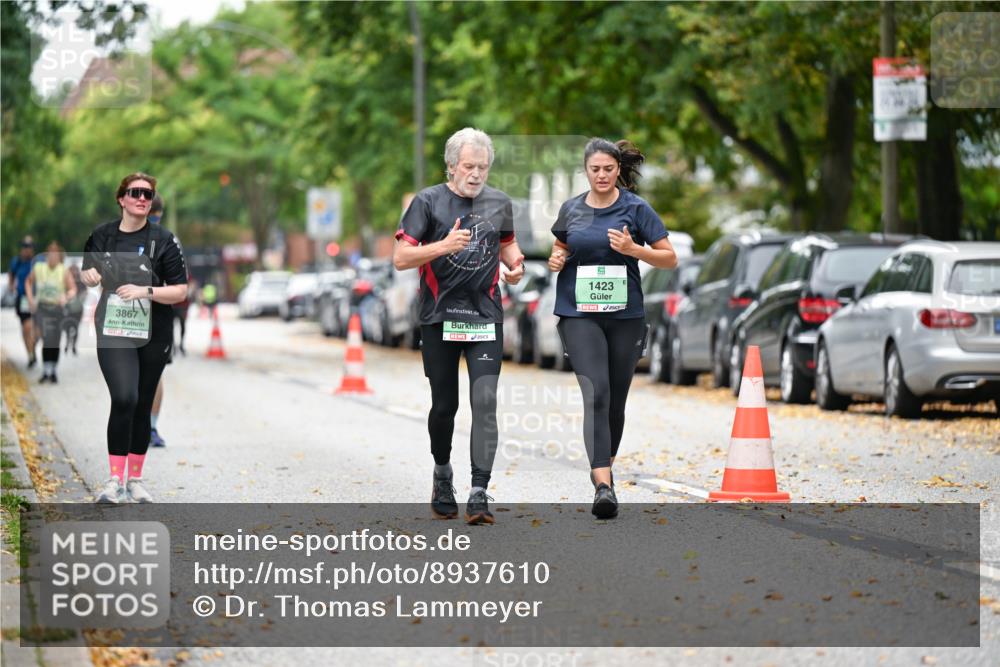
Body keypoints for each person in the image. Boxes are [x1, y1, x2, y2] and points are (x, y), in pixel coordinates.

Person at [392, 127, 525, 525]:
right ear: (451, 166)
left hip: (484, 316)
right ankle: (442, 474)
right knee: (445, 406)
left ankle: (479, 492)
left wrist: (516, 267)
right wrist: (444, 246)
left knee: (484, 404)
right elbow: (401, 257)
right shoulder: (428, 202)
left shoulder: (499, 202)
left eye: (483, 167)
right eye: (469, 166)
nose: (476, 174)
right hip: (439, 317)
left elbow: (507, 246)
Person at [548, 138, 676, 519]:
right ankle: (603, 484)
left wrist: (634, 250)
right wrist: (557, 258)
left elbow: (669, 258)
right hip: (578, 313)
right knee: (597, 392)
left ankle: (605, 464)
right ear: (585, 171)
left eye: (608, 169)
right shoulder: (571, 209)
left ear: (618, 169)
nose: (601, 175)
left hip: (625, 316)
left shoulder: (636, 209)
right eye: (594, 169)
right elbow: (561, 246)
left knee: (616, 400)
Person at [81, 173, 188, 503]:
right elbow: (88, 272)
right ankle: (114, 480)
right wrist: (88, 275)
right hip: (114, 329)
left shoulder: (164, 239)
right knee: (124, 397)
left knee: (142, 403)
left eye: (148, 194)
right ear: (121, 198)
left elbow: (181, 290)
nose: (143, 198)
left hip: (154, 331)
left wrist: (147, 291)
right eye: (135, 193)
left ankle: (136, 480)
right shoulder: (102, 236)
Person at [26, 241, 77, 383]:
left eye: (56, 255)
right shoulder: (39, 268)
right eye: (51, 255)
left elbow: (73, 289)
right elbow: (28, 282)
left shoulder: (63, 270)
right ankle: (46, 371)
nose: (53, 258)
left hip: (57, 309)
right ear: (47, 255)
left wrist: (66, 296)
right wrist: (30, 299)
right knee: (47, 337)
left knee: (55, 339)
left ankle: (52, 370)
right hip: (42, 308)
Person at [8, 238, 38, 367]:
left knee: (37, 331)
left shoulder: (37, 262)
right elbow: (11, 276)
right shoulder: (17, 262)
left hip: (37, 298)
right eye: (25, 246)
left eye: (30, 246)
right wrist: (12, 287)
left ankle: (32, 348)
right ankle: (30, 355)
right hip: (23, 299)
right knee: (26, 328)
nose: (27, 248)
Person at [62, 263, 87, 356]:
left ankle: (73, 346)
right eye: (72, 270)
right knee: (68, 327)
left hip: (78, 309)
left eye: (75, 270)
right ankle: (67, 344)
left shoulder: (81, 282)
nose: (74, 272)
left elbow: (85, 293)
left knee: (76, 328)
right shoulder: (66, 281)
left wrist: (80, 300)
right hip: (68, 309)